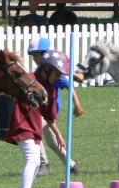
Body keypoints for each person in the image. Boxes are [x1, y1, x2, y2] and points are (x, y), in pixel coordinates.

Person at [3, 53, 65, 188]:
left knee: (36, 162)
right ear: (46, 69)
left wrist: (58, 135)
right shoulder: (28, 79)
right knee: (32, 160)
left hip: (35, 129)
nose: (58, 78)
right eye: (57, 73)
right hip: (22, 126)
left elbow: (49, 117)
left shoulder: (51, 89)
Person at [27, 37, 83, 176]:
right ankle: (72, 166)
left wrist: (77, 104)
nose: (35, 59)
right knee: (52, 142)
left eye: (37, 55)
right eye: (33, 56)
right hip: (41, 110)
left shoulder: (53, 72)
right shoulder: (41, 73)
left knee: (33, 131)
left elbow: (69, 84)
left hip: (49, 110)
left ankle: (43, 164)